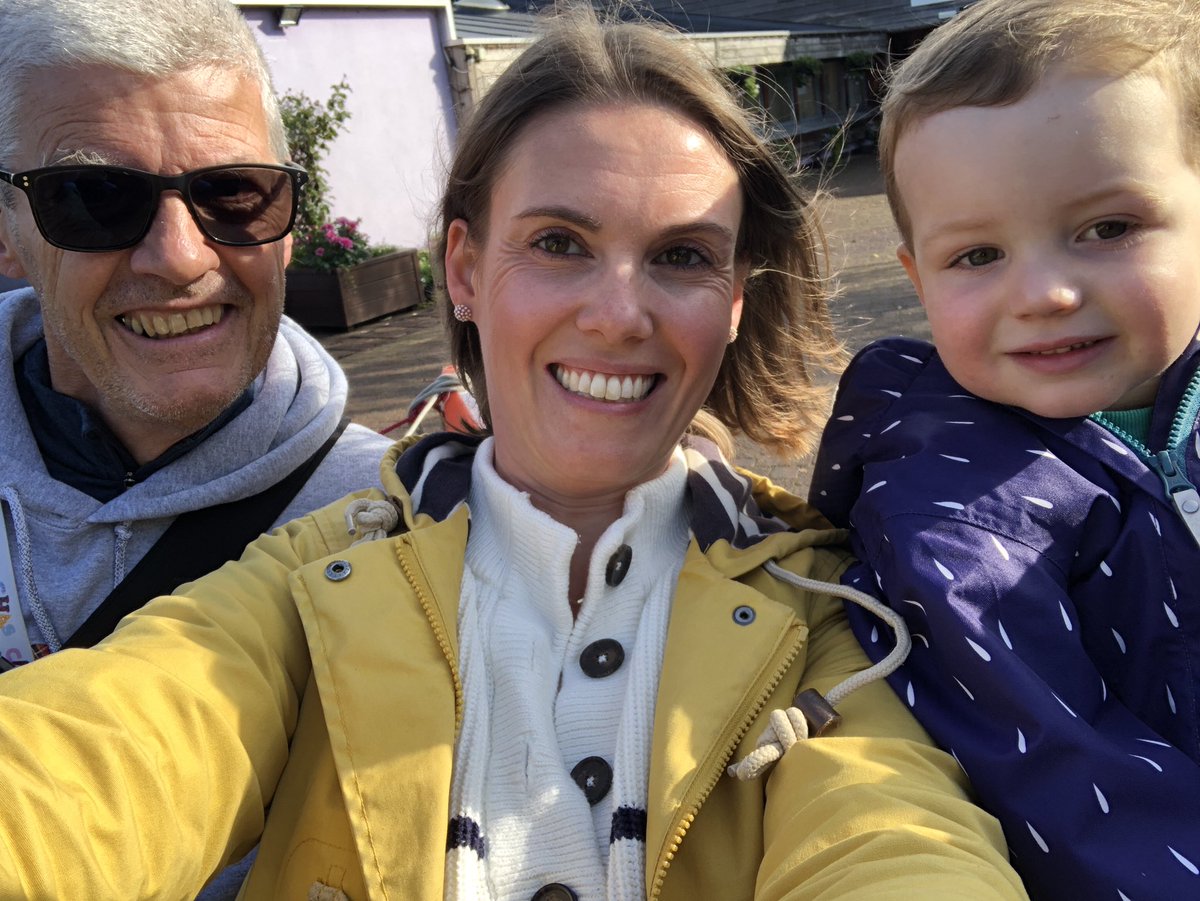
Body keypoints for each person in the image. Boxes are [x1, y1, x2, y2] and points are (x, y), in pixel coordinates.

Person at [0, 8, 1026, 899]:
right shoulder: (308, 583)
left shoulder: (830, 618)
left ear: (734, 305)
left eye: (681, 256)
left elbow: (895, 839)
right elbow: (103, 754)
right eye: (559, 243)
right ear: (463, 269)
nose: (619, 314)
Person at [808, 0, 1200, 897]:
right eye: (978, 255)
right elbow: (1077, 788)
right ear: (917, 277)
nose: (1046, 293)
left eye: (1108, 229)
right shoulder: (952, 522)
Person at [0, 0, 392, 896]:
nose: (178, 258)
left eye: (233, 194)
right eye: (95, 199)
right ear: (6, 231)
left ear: (288, 223)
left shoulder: (392, 522)